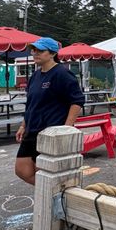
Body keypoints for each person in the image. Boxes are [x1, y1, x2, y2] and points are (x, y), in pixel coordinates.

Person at [15, 37, 85, 185]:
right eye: (33, 50)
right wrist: (23, 125)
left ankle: (53, 194)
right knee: (22, 170)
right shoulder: (35, 76)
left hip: (50, 133)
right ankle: (55, 190)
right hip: (31, 130)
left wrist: (66, 128)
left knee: (45, 173)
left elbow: (77, 101)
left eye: (40, 51)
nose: (35, 53)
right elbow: (31, 104)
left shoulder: (62, 73)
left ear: (52, 53)